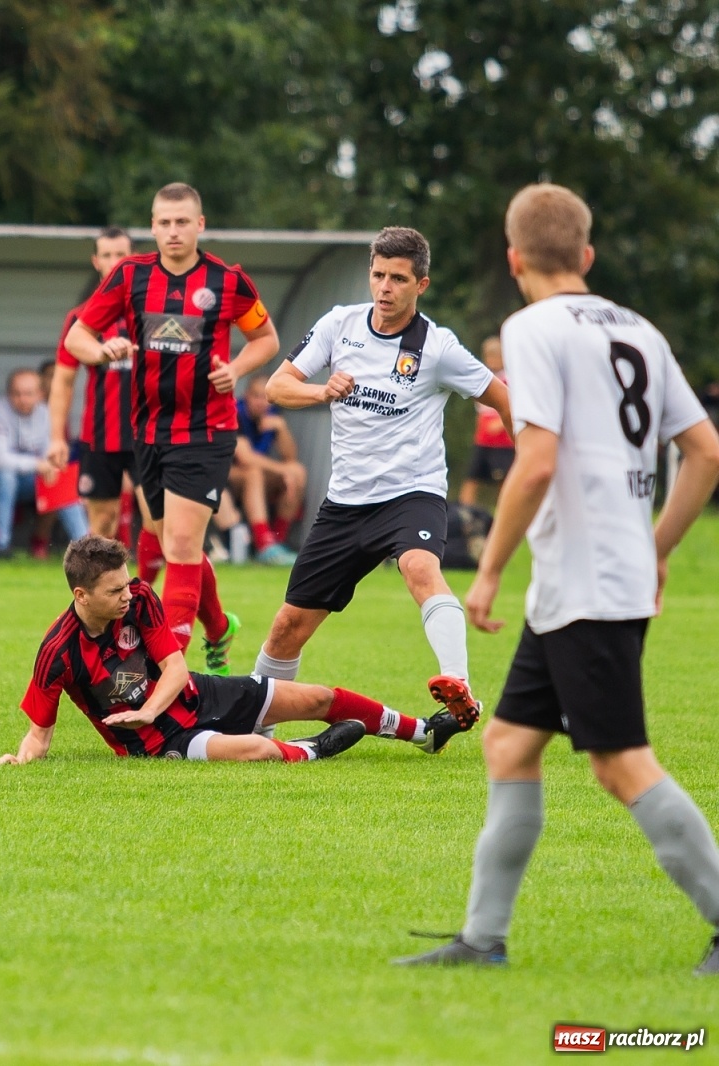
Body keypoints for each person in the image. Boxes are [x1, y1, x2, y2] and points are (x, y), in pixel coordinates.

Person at [396, 185, 719, 973]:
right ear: (587, 255)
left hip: (587, 581)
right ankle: (483, 940)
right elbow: (704, 450)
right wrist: (659, 547)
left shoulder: (532, 328)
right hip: (594, 577)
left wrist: (488, 570)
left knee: (619, 762)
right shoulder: (638, 329)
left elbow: (536, 459)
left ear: (514, 262)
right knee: (507, 743)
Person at [257, 226, 509, 733]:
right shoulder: (339, 324)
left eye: (398, 277)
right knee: (287, 628)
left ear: (422, 284)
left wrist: (532, 464)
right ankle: (252, 723)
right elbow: (276, 386)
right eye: (377, 275)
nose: (384, 287)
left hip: (410, 494)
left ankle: (457, 685)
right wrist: (321, 392)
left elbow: (501, 397)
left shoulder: (437, 348)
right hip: (346, 502)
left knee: (419, 567)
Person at [0, 536, 476, 765]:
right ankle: (310, 752)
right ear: (81, 596)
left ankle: (424, 735)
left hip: (193, 695)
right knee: (255, 749)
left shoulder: (141, 598)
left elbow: (174, 665)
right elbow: (39, 735)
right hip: (156, 742)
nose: (127, 595)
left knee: (318, 698)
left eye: (126, 585)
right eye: (113, 591)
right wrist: (20, 761)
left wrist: (148, 708)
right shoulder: (57, 652)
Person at [64, 182, 280, 670]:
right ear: (153, 225)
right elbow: (80, 334)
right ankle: (219, 625)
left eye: (183, 221)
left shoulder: (227, 281)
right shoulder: (129, 276)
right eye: (163, 222)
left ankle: (168, 672)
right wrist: (102, 351)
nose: (173, 231)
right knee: (169, 540)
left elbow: (266, 338)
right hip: (148, 434)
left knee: (182, 546)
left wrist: (238, 370)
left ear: (200, 225)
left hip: (206, 431)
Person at [47, 226, 136, 541]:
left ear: (132, 259)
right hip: (100, 436)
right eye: (107, 255)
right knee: (101, 524)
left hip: (149, 434)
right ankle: (109, 591)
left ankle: (149, 589)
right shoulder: (80, 319)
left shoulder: (150, 311)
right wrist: (57, 437)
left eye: (120, 255)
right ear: (96, 261)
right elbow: (63, 380)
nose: (114, 262)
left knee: (160, 521)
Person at [0, 368, 89, 556]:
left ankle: (86, 546)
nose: (22, 399)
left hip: (35, 480)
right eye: (16, 394)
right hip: (2, 479)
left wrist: (48, 466)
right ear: (9, 394)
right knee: (6, 477)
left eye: (28, 394)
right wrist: (39, 465)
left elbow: (48, 454)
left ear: (40, 394)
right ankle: (2, 546)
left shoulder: (46, 413)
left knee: (62, 479)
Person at [230, 375, 305, 564]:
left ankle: (278, 541)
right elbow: (245, 458)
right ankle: (264, 544)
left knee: (298, 471)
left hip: (258, 475)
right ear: (246, 396)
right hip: (228, 476)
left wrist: (281, 428)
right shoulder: (235, 412)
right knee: (253, 473)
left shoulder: (272, 414)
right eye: (256, 396)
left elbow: (291, 457)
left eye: (265, 397)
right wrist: (282, 471)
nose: (261, 402)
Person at [458, 336, 514, 508]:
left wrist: (499, 424)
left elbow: (515, 404)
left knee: (504, 482)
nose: (491, 361)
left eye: (496, 357)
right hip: (483, 441)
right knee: (471, 479)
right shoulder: (483, 377)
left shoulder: (509, 379)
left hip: (503, 443)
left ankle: (505, 516)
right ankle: (463, 516)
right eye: (488, 357)